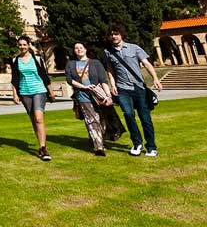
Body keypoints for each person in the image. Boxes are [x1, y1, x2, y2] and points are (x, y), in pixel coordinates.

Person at [103, 23, 163, 157]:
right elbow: (110, 70)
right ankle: (137, 143)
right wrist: (112, 84)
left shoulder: (134, 48)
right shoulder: (108, 52)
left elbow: (147, 63)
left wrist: (155, 78)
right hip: (123, 88)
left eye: (116, 34)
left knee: (145, 118)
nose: (114, 36)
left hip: (139, 87)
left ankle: (151, 146)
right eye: (112, 34)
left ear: (121, 35)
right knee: (129, 115)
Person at [10, 35, 56, 161]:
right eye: (20, 45)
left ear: (29, 45)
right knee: (34, 120)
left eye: (25, 44)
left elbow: (44, 76)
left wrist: (51, 92)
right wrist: (15, 94)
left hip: (39, 90)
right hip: (25, 92)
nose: (22, 47)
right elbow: (14, 79)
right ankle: (41, 145)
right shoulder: (15, 60)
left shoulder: (37, 59)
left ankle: (43, 147)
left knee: (39, 118)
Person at [65, 43, 111, 156]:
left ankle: (94, 138)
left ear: (86, 49)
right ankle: (99, 147)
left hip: (98, 95)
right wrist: (83, 87)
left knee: (102, 121)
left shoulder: (95, 63)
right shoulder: (71, 64)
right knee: (91, 119)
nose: (79, 50)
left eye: (81, 47)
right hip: (82, 95)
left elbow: (103, 80)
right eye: (76, 48)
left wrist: (108, 96)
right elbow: (69, 79)